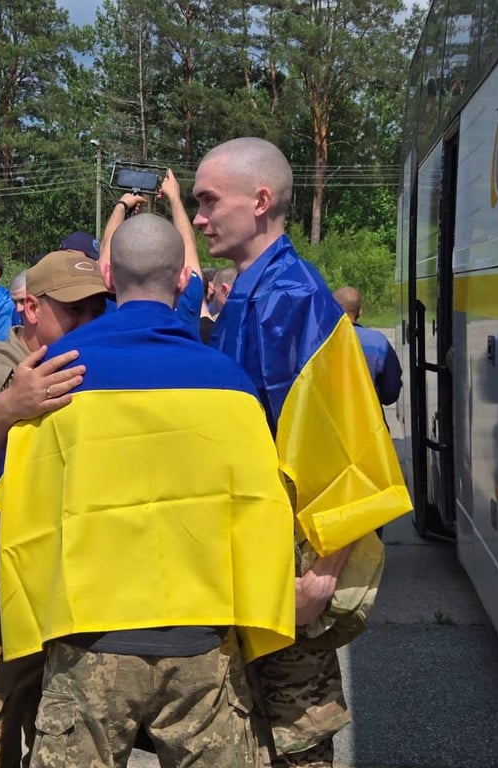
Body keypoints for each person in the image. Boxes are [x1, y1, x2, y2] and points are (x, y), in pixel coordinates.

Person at [0, 214, 297, 768]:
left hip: (88, 637)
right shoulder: (231, 384)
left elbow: (21, 514)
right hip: (202, 640)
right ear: (183, 278)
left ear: (108, 275)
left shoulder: (56, 379)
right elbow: (262, 514)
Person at [193, 137, 411, 767]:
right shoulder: (254, 291)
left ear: (260, 201)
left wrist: (322, 575)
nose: (201, 218)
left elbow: (345, 446)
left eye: (209, 201)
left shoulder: (292, 298)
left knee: (296, 742)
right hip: (255, 559)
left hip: (290, 572)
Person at [0, 250, 107, 767]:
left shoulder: (92, 363)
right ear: (31, 307)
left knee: (63, 740)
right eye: (74, 310)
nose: (88, 322)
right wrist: (10, 406)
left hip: (61, 591)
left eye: (97, 310)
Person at [98, 168, 205, 331]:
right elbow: (188, 246)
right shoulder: (189, 297)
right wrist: (174, 198)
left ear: (109, 277)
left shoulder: (108, 301)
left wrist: (121, 206)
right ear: (183, 279)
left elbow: (106, 254)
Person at [332, 286, 402, 406]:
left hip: (325, 417)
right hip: (368, 416)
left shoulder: (317, 342)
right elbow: (390, 393)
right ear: (360, 312)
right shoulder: (379, 342)